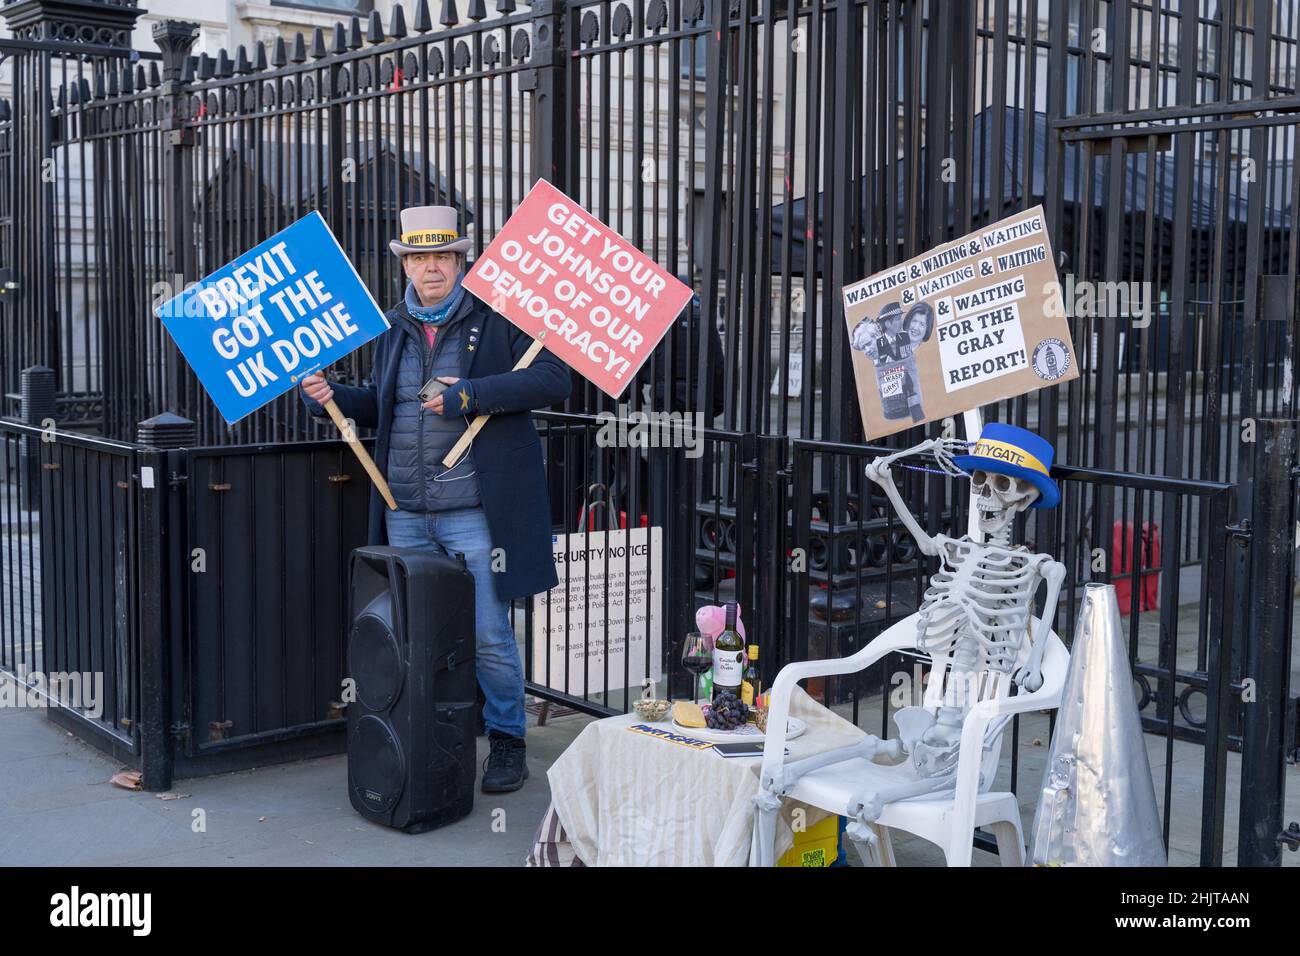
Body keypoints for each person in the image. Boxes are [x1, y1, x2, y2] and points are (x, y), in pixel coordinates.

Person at [300, 205, 570, 793]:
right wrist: (332, 395)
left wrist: (470, 394)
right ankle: (422, 735)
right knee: (413, 634)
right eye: (419, 258)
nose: (431, 269)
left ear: (460, 260)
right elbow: (384, 406)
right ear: (406, 264)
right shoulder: (394, 326)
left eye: (441, 257)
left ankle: (506, 740)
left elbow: (553, 378)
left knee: (488, 634)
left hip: (473, 511)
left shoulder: (496, 318)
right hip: (406, 513)